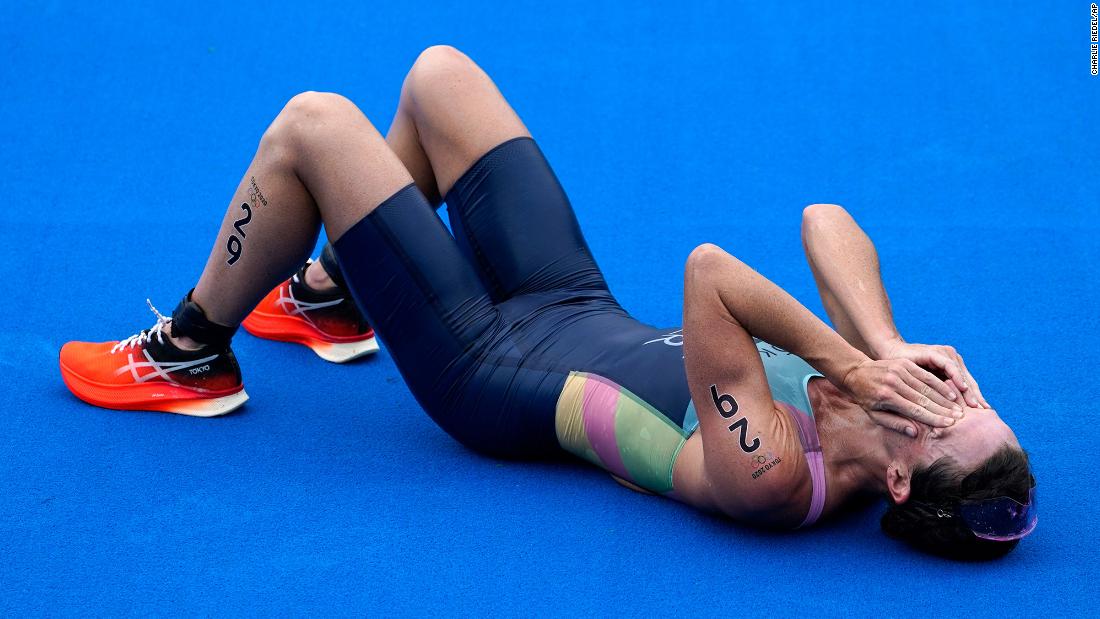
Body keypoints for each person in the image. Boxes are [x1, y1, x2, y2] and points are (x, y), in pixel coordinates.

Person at [59, 46, 1036, 559]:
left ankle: (188, 354)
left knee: (313, 126)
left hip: (487, 369)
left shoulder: (779, 479)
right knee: (439, 77)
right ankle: (331, 297)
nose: (944, 399)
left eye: (941, 422)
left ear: (900, 484)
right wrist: (887, 338)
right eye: (966, 396)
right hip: (569, 301)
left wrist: (850, 364)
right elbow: (826, 220)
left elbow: (708, 273)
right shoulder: (876, 379)